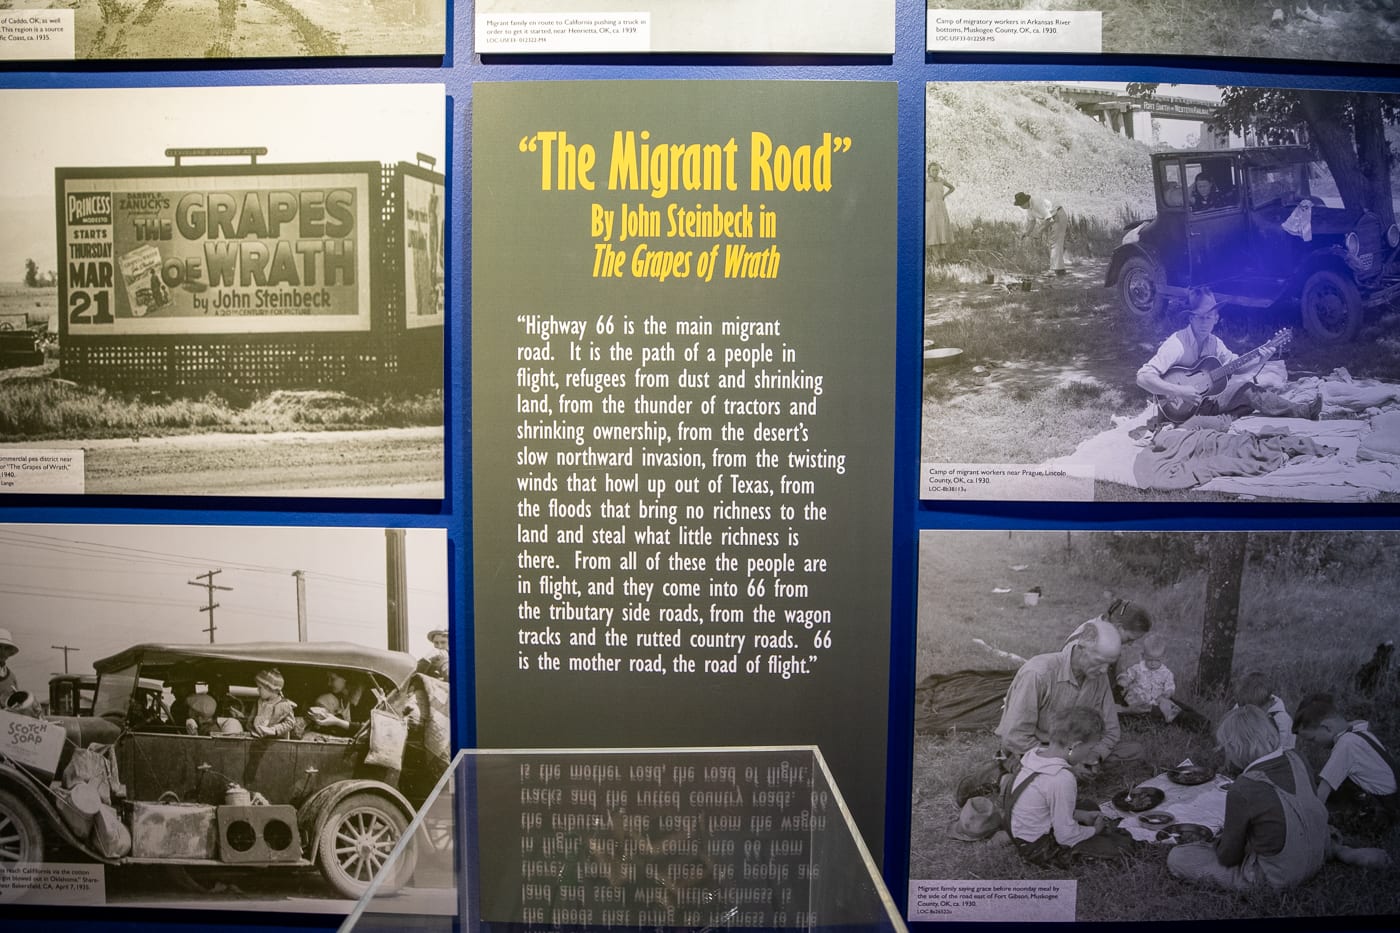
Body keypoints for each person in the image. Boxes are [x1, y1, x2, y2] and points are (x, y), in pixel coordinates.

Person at [1167, 705, 1329, 890]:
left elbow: (1228, 857)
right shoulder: (1297, 757)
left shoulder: (1245, 786)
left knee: (1178, 857)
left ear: (1236, 747)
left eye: (1226, 748)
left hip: (1278, 877)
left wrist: (1220, 840)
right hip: (1318, 855)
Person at [1136, 289, 1321, 421]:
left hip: (1206, 403)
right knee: (1243, 401)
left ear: (1216, 319)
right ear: (1191, 318)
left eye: (1209, 318)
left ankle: (1303, 411)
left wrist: (1262, 358)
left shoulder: (1215, 343)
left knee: (1248, 389)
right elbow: (1142, 377)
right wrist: (1179, 391)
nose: (1204, 323)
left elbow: (1236, 367)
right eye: (1200, 317)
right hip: (1178, 410)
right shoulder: (1177, 343)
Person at [997, 619, 1133, 768]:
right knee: (1046, 777)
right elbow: (1015, 736)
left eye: (1110, 664)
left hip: (1077, 748)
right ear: (1082, 648)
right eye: (1100, 662)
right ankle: (1008, 775)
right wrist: (1064, 762)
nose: (1104, 670)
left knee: (1133, 750)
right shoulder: (1037, 673)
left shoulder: (1100, 676)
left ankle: (1071, 769)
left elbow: (1111, 729)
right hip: (1037, 750)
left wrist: (1095, 756)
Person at [1005, 707, 1124, 867]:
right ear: (1075, 746)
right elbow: (1066, 837)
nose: (1089, 755)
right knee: (1120, 847)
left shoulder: (1035, 754)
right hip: (1037, 847)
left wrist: (1081, 816)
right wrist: (1094, 831)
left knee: (1088, 806)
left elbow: (1046, 803)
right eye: (1089, 749)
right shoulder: (1061, 778)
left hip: (1020, 833)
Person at [1293, 692, 1398, 827]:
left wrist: (1306, 822)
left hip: (1382, 810)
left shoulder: (1346, 745)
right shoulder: (1356, 731)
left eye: (1313, 739)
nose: (1315, 744)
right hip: (1390, 796)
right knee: (1319, 785)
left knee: (1328, 815)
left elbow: (1323, 792)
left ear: (1327, 727)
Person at [1116, 633, 1177, 718]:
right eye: (1149, 659)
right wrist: (1124, 681)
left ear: (1164, 658)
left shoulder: (1166, 673)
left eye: (1157, 660)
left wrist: (1166, 694)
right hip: (1139, 699)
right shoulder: (1139, 668)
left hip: (1156, 701)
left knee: (1167, 706)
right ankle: (1138, 714)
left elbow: (1169, 687)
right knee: (1129, 696)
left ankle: (1160, 715)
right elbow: (1129, 675)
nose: (1153, 663)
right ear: (1143, 656)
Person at [1235, 670, 1295, 751]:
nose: (1248, 711)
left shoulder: (1282, 721)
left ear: (1268, 703)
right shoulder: (1244, 702)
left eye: (1254, 709)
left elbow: (1279, 752)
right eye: (1245, 707)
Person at [1013, 191, 1068, 275]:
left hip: (1058, 215)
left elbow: (1049, 218)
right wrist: (1027, 233)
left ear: (1026, 201)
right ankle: (1058, 269)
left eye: (1021, 204)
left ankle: (1056, 270)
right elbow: (1032, 222)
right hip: (1053, 218)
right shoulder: (1029, 208)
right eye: (1019, 205)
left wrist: (1039, 231)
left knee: (1055, 243)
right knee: (1053, 243)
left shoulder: (1036, 203)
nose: (1020, 207)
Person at [250, 668, 297, 738]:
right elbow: (252, 718)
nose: (258, 690)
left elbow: (290, 723)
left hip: (276, 741)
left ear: (271, 688)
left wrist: (275, 729)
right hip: (258, 737)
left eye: (260, 688)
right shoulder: (260, 702)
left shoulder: (284, 705)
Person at [925, 161, 956, 262]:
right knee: (933, 230)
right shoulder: (925, 181)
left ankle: (943, 256)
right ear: (928, 171)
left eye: (937, 170)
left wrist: (944, 196)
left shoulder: (941, 180)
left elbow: (952, 188)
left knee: (942, 229)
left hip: (941, 206)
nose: (935, 172)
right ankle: (935, 256)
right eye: (933, 170)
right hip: (930, 207)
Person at [0, 628, 19, 708]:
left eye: (6, 648)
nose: (2, 652)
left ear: (10, 652)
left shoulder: (12, 678)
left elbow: (16, 706)